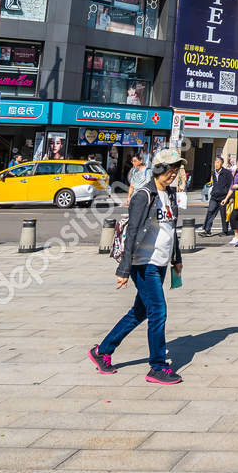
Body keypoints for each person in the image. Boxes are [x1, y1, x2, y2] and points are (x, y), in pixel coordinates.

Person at [88, 148, 183, 384]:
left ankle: (102, 351)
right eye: (170, 169)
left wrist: (176, 258)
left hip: (160, 262)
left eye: (176, 169)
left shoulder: (170, 195)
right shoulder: (144, 195)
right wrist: (124, 270)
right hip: (144, 263)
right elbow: (132, 233)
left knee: (139, 312)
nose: (173, 173)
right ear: (159, 169)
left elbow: (171, 229)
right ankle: (157, 366)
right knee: (158, 311)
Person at [202, 155, 232, 236]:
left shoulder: (227, 173)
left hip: (223, 197)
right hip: (214, 196)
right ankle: (207, 230)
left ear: (221, 164)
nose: (216, 164)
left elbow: (231, 186)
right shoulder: (214, 173)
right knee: (210, 212)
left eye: (218, 162)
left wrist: (229, 197)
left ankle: (225, 231)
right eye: (215, 162)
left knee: (224, 214)